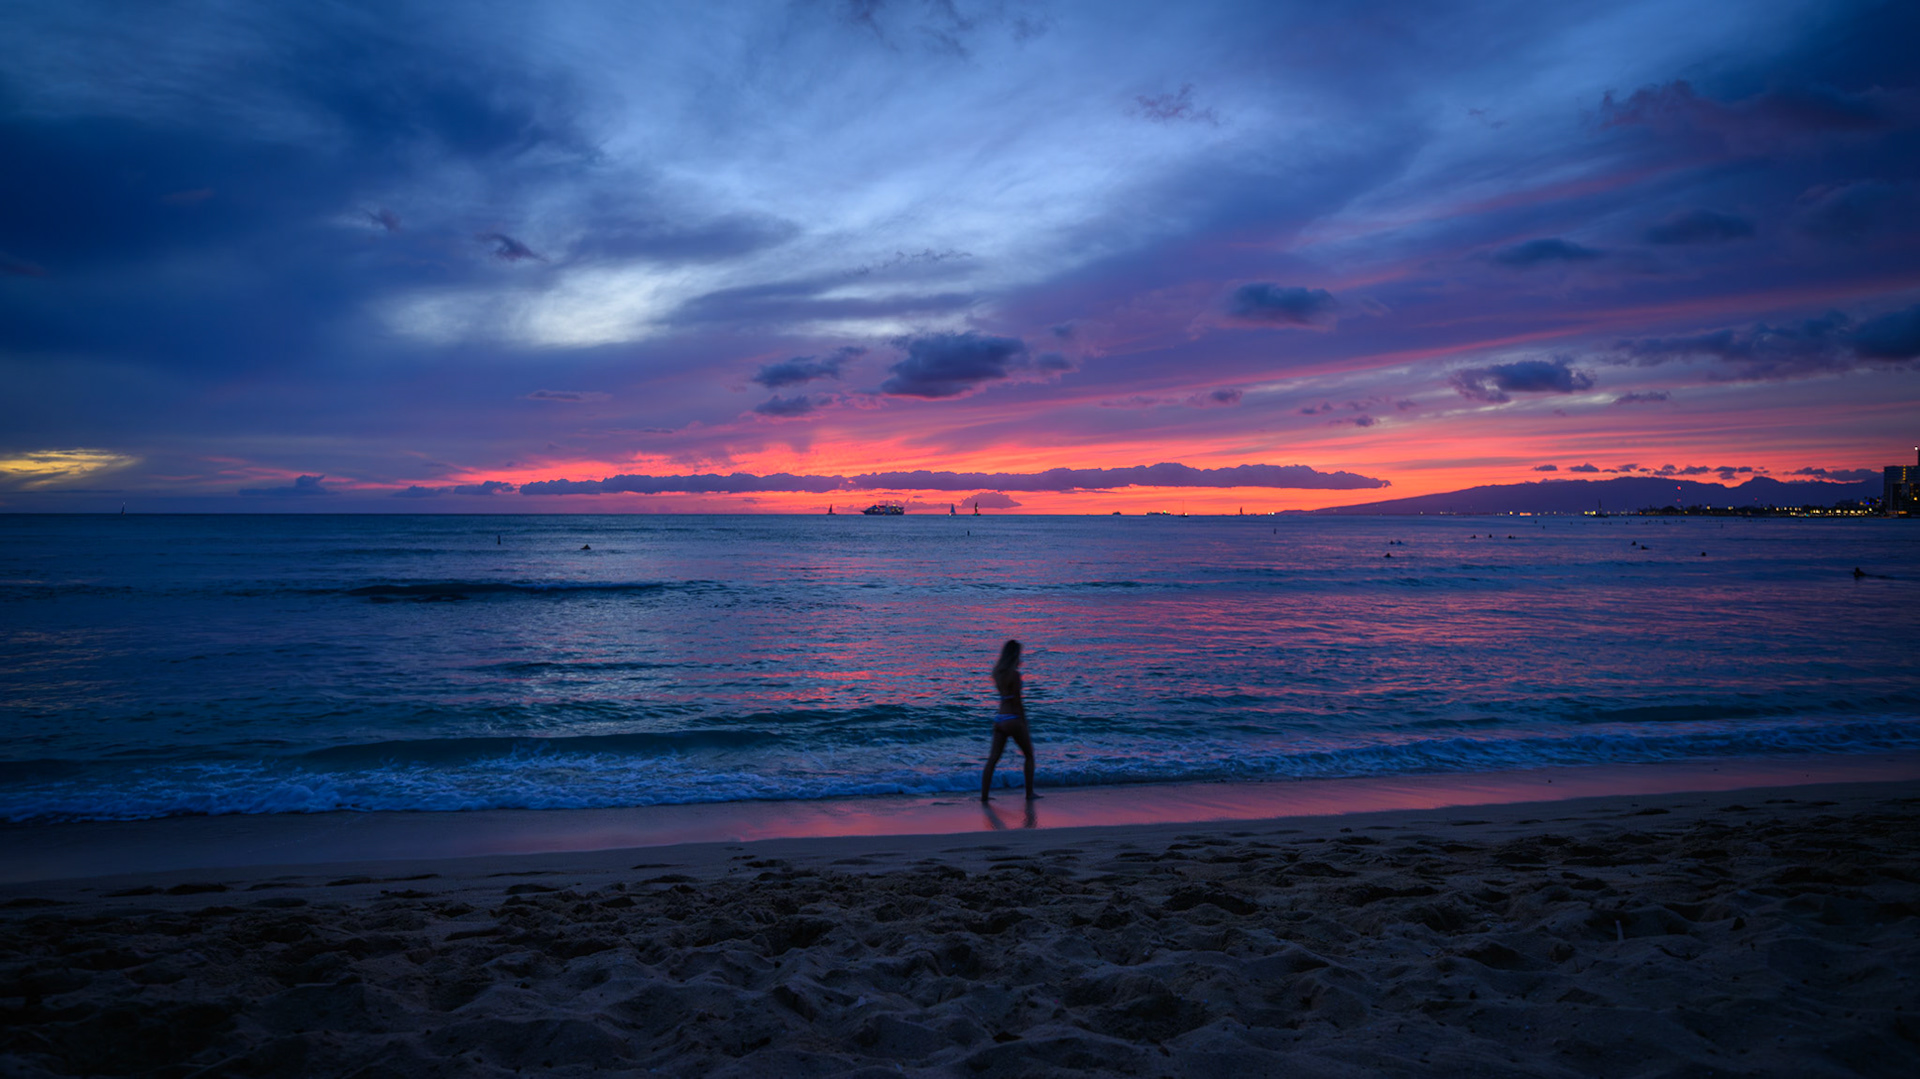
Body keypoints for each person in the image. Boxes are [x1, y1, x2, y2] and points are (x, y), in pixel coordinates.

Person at [982, 639, 1037, 801]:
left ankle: (984, 796)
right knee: (1029, 755)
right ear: (1015, 654)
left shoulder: (997, 673)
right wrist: (1024, 722)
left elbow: (1005, 697)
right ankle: (1029, 793)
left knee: (993, 759)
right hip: (1013, 718)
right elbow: (1018, 702)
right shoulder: (1015, 675)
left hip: (999, 718)